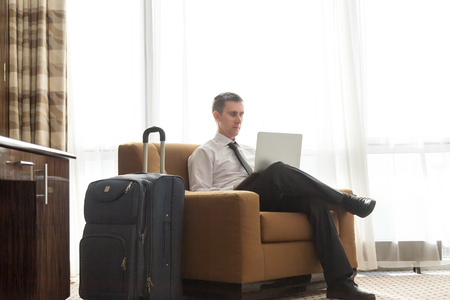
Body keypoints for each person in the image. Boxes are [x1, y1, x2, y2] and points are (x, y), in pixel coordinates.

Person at [188, 92, 376, 300]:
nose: (239, 120)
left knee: (315, 203)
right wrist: (234, 189)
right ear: (217, 116)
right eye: (233, 114)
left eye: (241, 114)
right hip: (238, 201)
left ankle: (340, 283)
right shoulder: (204, 152)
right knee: (277, 169)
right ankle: (346, 201)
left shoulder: (251, 150)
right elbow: (199, 193)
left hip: (266, 198)